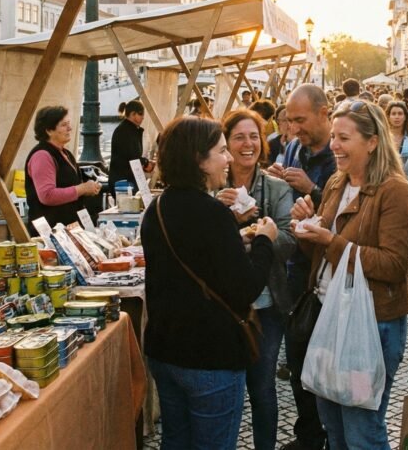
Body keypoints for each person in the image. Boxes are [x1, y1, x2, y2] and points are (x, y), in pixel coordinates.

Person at [142, 116, 277, 450]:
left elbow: (191, 258)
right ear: (198, 159)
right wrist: (264, 240)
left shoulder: (157, 208)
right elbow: (246, 288)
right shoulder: (213, 213)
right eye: (221, 151)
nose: (228, 158)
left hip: (165, 352)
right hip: (210, 355)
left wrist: (234, 235)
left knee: (176, 441)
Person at [291, 100, 408, 449]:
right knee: (333, 425)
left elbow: (394, 265)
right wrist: (305, 230)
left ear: (372, 142)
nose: (334, 145)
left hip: (371, 326)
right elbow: (321, 255)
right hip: (329, 317)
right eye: (334, 136)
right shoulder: (337, 182)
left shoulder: (395, 191)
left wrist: (331, 242)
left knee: (362, 430)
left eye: (344, 138)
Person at [216, 110, 296, 450]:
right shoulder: (213, 188)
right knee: (226, 389)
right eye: (238, 137)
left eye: (253, 137)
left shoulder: (277, 188)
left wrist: (258, 232)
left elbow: (290, 241)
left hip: (266, 304)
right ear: (225, 144)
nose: (247, 144)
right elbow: (201, 245)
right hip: (222, 305)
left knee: (262, 388)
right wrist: (220, 215)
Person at [265, 84, 336, 450]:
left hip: (327, 271)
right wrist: (277, 180)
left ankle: (332, 435)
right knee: (297, 357)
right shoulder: (293, 147)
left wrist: (313, 189)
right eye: (289, 120)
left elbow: (346, 216)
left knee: (329, 361)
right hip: (296, 268)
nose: (293, 128)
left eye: (300, 120)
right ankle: (308, 435)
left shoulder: (341, 152)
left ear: (324, 113)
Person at [24, 106, 102, 234]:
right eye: (64, 125)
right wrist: (82, 189)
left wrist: (88, 189)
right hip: (51, 231)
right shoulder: (42, 156)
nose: (69, 128)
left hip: (68, 228)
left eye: (69, 124)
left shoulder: (65, 153)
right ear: (49, 130)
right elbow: (47, 195)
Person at [108, 100, 154, 192]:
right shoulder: (126, 131)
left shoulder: (127, 129)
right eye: (140, 114)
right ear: (132, 114)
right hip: (124, 182)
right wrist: (146, 162)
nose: (143, 117)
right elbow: (132, 157)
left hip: (124, 179)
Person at [385, 101, 408, 177]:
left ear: (405, 117)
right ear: (388, 117)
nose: (397, 117)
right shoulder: (381, 139)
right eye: (393, 114)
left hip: (407, 180)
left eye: (400, 114)